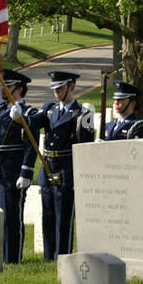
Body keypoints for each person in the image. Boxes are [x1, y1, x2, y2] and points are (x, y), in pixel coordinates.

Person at [0, 69, 44, 265]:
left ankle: (12, 258)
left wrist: (26, 171)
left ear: (19, 88)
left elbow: (30, 144)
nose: (3, 88)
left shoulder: (28, 112)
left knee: (11, 216)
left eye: (7, 85)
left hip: (12, 169)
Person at [37, 70, 96, 261]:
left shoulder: (81, 114)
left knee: (63, 216)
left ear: (71, 87)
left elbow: (85, 145)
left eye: (60, 88)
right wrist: (19, 115)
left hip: (66, 168)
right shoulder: (50, 110)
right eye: (54, 89)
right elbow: (32, 123)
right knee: (48, 214)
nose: (56, 93)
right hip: (48, 168)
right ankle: (48, 257)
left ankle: (63, 256)